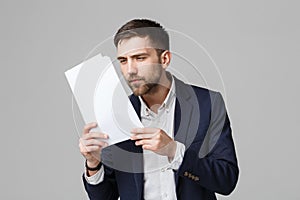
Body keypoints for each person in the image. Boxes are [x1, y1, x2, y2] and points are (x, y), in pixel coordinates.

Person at [79, 19, 239, 200]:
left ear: (164, 59)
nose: (130, 70)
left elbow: (227, 180)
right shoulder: (115, 116)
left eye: (140, 58)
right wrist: (93, 164)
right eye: (123, 60)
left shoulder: (207, 103)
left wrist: (174, 151)